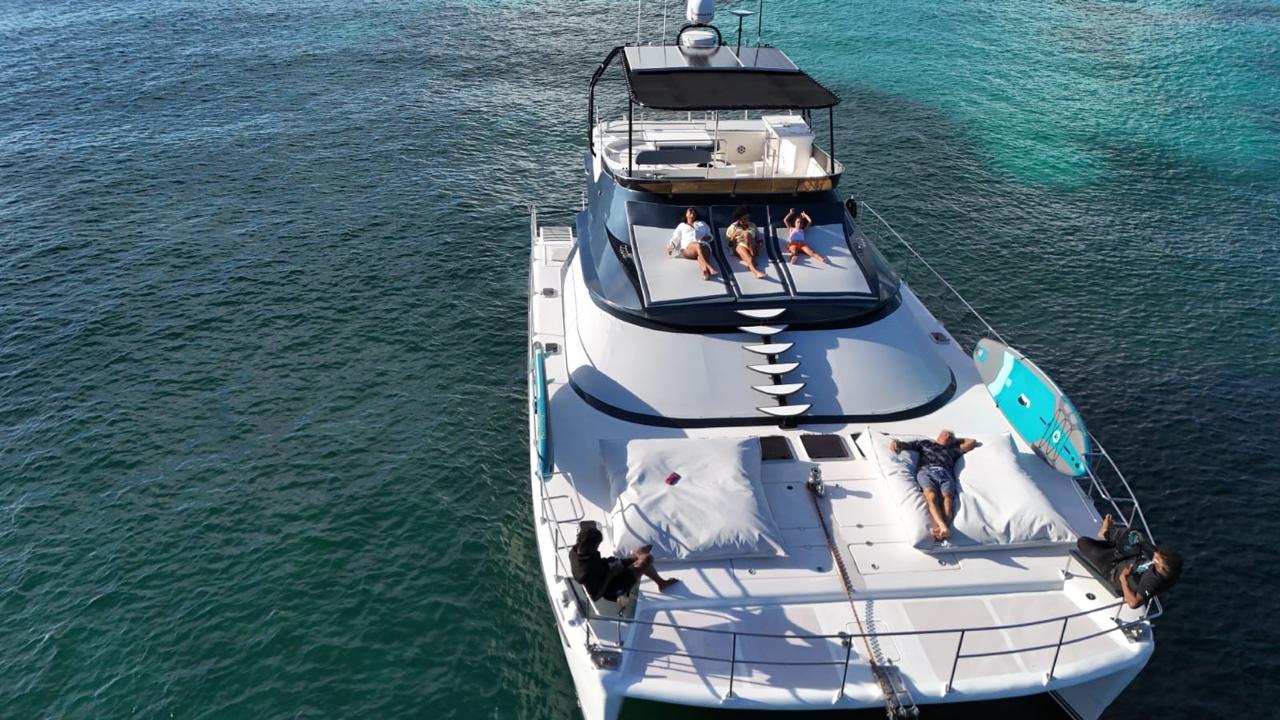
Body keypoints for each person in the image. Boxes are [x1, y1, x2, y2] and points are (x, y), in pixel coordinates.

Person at [1076, 514, 1182, 608]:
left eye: (1158, 558)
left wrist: (1123, 578)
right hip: (1131, 560)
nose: (1156, 554)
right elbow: (1157, 554)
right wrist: (1142, 541)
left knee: (1083, 542)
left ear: (1161, 568)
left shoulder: (1153, 582)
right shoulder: (1170, 569)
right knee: (1134, 535)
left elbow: (1133, 603)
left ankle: (1109, 540)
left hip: (1112, 570)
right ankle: (1106, 533)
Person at [889, 431, 979, 541]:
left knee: (947, 498)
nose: (948, 436)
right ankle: (942, 526)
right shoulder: (925, 444)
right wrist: (897, 444)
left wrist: (955, 440)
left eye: (950, 436)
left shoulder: (953, 450)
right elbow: (906, 445)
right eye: (945, 434)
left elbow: (972, 442)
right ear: (938, 436)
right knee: (931, 496)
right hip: (926, 470)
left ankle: (943, 528)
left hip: (945, 473)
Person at [569, 523, 678, 607]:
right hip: (611, 585)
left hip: (608, 568)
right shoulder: (584, 573)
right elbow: (595, 597)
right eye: (597, 546)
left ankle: (660, 582)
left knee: (643, 554)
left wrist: (612, 565)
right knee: (647, 559)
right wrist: (610, 574)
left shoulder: (575, 550)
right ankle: (637, 557)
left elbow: (597, 563)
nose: (597, 548)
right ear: (589, 546)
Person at [667, 207, 717, 280]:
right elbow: (675, 238)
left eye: (694, 211)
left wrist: (706, 238)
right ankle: (709, 266)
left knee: (700, 253)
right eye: (690, 210)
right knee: (698, 245)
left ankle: (705, 272)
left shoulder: (702, 224)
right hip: (688, 248)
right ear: (686, 214)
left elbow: (710, 236)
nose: (692, 211)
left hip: (704, 245)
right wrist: (671, 247)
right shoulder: (682, 225)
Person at [724, 206, 766, 280]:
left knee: (747, 234)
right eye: (744, 218)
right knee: (749, 258)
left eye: (748, 218)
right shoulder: (733, 227)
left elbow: (759, 239)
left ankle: (753, 255)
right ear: (739, 218)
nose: (747, 220)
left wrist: (758, 245)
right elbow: (730, 244)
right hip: (740, 245)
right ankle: (756, 272)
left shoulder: (752, 225)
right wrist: (734, 235)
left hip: (752, 245)